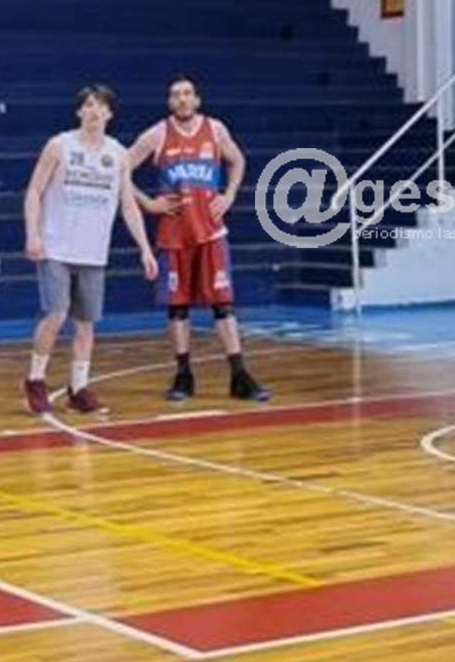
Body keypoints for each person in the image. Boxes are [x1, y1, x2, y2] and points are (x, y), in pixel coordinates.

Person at [128, 75, 270, 402]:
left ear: (197, 99)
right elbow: (121, 168)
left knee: (223, 305)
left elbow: (238, 160)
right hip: (174, 234)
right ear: (169, 102)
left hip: (210, 232)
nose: (182, 99)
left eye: (187, 93)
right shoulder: (157, 134)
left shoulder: (215, 129)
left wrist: (229, 195)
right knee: (178, 308)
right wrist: (148, 203)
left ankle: (239, 375)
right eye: (175, 94)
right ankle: (183, 375)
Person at [21, 85, 159, 416]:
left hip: (93, 251)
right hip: (56, 246)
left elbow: (128, 205)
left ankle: (78, 388)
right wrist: (33, 234)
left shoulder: (118, 155)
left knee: (86, 324)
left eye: (100, 106)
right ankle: (35, 380)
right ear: (79, 111)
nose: (94, 111)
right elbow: (34, 191)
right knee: (56, 314)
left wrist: (145, 248)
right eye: (88, 105)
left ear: (109, 113)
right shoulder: (59, 146)